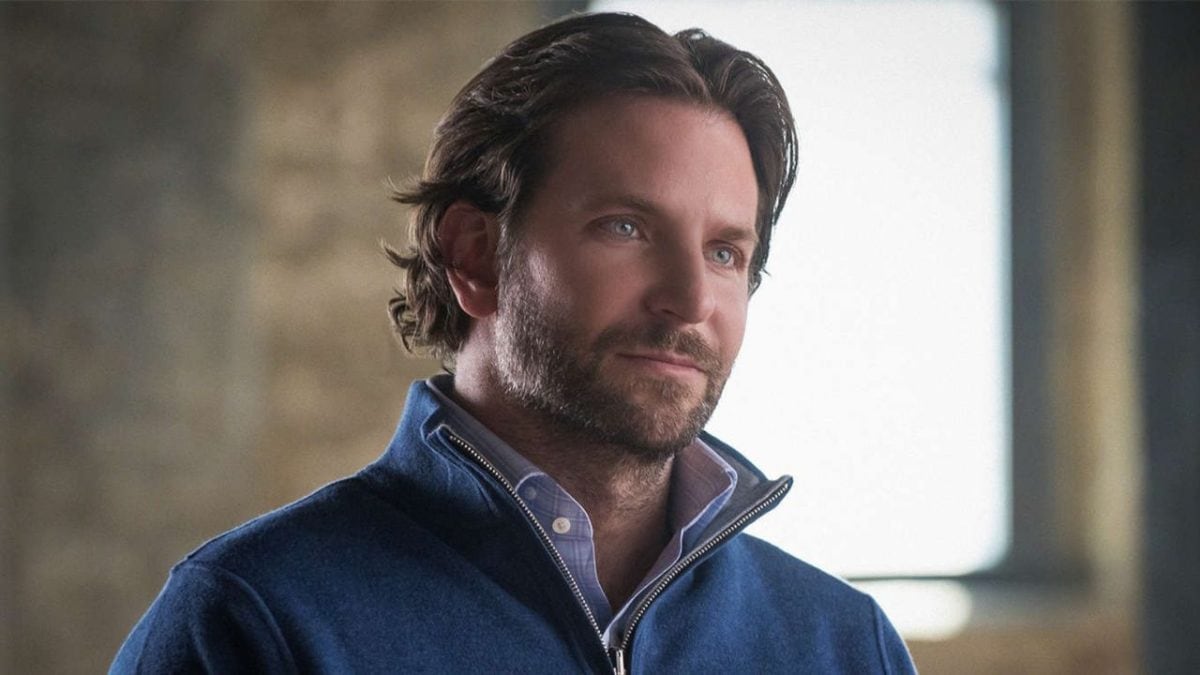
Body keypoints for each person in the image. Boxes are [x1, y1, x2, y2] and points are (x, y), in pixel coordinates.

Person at [112, 12, 915, 674]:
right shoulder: (253, 621)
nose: (691, 298)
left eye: (725, 252)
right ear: (474, 256)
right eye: (626, 227)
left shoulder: (844, 644)